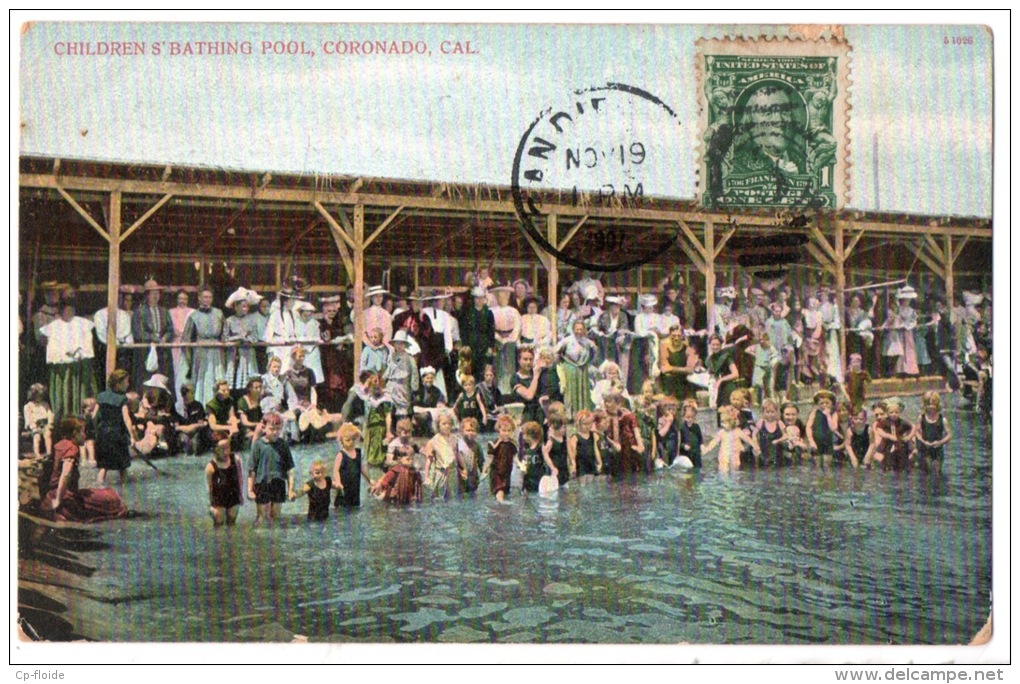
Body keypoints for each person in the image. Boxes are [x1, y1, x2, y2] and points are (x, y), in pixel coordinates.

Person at [43, 417, 127, 522]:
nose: (85, 435)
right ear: (74, 433)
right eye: (83, 432)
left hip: (54, 492)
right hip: (66, 496)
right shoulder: (72, 448)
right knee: (112, 498)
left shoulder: (60, 444)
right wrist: (58, 500)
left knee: (103, 494)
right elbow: (66, 474)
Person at [730, 84, 808, 176]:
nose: (779, 120)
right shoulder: (735, 167)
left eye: (785, 113)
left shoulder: (805, 162)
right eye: (768, 113)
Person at [40, 301, 97, 419]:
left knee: (81, 390)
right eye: (66, 310)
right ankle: (63, 416)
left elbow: (87, 342)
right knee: (64, 390)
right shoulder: (55, 326)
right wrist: (63, 354)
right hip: (62, 367)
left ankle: (81, 415)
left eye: (71, 309)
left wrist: (79, 352)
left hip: (80, 365)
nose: (68, 313)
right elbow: (52, 346)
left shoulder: (82, 323)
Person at [247, 413, 295, 523]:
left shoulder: (283, 445)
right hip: (261, 484)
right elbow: (251, 470)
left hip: (278, 483)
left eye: (278, 429)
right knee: (262, 516)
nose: (275, 432)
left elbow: (290, 469)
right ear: (263, 428)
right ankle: (260, 537)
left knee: (277, 516)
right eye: (272, 429)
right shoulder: (258, 445)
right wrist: (250, 490)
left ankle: (276, 537)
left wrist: (291, 489)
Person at [182, 287, 225, 406]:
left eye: (210, 297)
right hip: (201, 350)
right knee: (202, 379)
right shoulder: (194, 316)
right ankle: (202, 406)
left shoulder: (219, 313)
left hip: (216, 350)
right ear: (199, 298)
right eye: (205, 297)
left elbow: (224, 333)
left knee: (217, 377)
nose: (207, 300)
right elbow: (185, 338)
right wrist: (189, 360)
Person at [131, 279, 175, 392]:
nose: (156, 296)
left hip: (162, 352)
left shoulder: (164, 311)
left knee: (163, 378)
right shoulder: (139, 312)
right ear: (147, 295)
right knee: (146, 379)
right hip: (146, 351)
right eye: (153, 293)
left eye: (157, 293)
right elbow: (138, 332)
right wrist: (153, 338)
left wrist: (165, 337)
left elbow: (170, 329)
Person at [95, 369, 134, 487]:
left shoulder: (101, 396)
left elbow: (93, 416)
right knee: (122, 467)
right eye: (126, 382)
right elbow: (126, 419)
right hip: (118, 435)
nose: (128, 384)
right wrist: (131, 436)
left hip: (103, 434)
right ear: (118, 383)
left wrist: (97, 431)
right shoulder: (122, 399)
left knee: (104, 466)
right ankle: (126, 490)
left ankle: (99, 487)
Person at [222, 288, 262, 400]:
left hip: (247, 354)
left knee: (248, 382)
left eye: (247, 306)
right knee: (233, 380)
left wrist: (247, 339)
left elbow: (256, 337)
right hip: (233, 355)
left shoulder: (252, 320)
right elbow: (224, 338)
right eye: (243, 306)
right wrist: (237, 338)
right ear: (236, 307)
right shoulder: (229, 321)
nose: (246, 309)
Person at [556, 320, 597, 418]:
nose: (579, 331)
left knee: (583, 390)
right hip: (570, 368)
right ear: (573, 329)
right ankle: (571, 414)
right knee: (571, 390)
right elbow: (557, 352)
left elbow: (594, 353)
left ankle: (583, 413)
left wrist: (588, 363)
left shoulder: (588, 342)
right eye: (577, 329)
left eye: (581, 329)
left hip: (582, 369)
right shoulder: (566, 340)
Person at [93, 289, 135, 383]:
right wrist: (114, 343)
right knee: (107, 376)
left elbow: (126, 332)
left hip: (121, 350)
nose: (117, 299)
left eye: (119, 297)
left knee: (123, 374)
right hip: (105, 349)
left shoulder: (124, 315)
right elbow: (101, 334)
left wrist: (125, 343)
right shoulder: (100, 314)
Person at [704, 405, 761, 473]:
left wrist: (755, 446)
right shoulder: (722, 432)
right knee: (723, 470)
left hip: (734, 455)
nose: (722, 424)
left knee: (735, 469)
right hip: (724, 455)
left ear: (732, 421)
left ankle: (735, 480)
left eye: (725, 422)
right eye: (722, 422)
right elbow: (714, 442)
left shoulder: (737, 431)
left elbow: (747, 439)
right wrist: (707, 449)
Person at [205, 430, 243, 526]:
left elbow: (240, 478)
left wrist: (241, 495)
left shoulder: (236, 459)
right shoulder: (211, 467)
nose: (226, 451)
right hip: (218, 499)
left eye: (228, 447)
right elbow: (209, 487)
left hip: (233, 497)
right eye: (222, 449)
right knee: (219, 523)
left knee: (232, 523)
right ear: (215, 449)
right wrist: (211, 504)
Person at [459, 286, 496, 383]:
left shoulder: (488, 313)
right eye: (477, 298)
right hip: (471, 345)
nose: (479, 300)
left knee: (483, 370)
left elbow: (491, 331)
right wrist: (465, 345)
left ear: (484, 299)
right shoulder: (467, 313)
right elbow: (464, 330)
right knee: (470, 369)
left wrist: (490, 347)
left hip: (484, 345)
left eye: (481, 298)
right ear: (473, 299)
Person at [332, 424, 373, 509]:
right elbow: (336, 470)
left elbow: (362, 468)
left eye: (353, 440)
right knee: (342, 508)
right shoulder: (341, 455)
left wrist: (370, 480)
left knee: (354, 507)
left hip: (355, 488)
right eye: (348, 440)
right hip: (344, 488)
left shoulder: (358, 453)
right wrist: (338, 483)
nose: (351, 442)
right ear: (341, 441)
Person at [603, 391, 645, 474]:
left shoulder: (626, 415)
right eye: (605, 402)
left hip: (627, 446)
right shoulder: (603, 415)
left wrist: (640, 444)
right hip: (610, 446)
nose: (606, 404)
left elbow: (635, 430)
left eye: (609, 402)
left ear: (618, 403)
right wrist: (613, 443)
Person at [422, 411, 459, 501]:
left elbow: (458, 455)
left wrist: (463, 470)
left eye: (449, 424)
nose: (447, 426)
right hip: (440, 473)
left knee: (452, 498)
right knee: (439, 498)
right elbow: (429, 460)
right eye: (444, 424)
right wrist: (426, 477)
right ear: (438, 426)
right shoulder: (434, 441)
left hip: (452, 472)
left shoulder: (455, 439)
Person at [913, 391, 952, 476]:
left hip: (938, 448)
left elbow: (949, 435)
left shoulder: (943, 419)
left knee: (938, 473)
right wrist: (923, 441)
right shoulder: (921, 418)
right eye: (928, 404)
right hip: (926, 447)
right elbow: (916, 432)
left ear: (937, 404)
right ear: (924, 405)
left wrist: (940, 442)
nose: (931, 406)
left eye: (933, 404)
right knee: (929, 471)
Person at [382, 330, 419, 420]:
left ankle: (402, 425)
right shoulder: (392, 356)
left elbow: (414, 373)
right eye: (397, 344)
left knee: (402, 408)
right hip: (391, 385)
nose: (399, 346)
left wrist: (414, 387)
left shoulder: (409, 358)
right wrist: (383, 379)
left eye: (401, 344)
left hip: (403, 385)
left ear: (405, 345)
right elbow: (389, 369)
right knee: (388, 406)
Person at [659, 324, 699, 403]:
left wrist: (672, 368)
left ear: (682, 336)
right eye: (673, 336)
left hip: (684, 382)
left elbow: (690, 370)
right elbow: (664, 368)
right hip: (670, 383)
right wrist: (683, 369)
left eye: (678, 336)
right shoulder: (664, 348)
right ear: (669, 336)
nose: (676, 338)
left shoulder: (689, 350)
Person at [169, 290, 195, 412]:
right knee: (176, 374)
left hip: (188, 346)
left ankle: (188, 405)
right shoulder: (171, 312)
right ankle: (178, 405)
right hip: (175, 346)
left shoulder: (192, 312)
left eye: (184, 298)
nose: (182, 301)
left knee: (186, 375)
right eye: (180, 298)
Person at [482, 414, 517, 502]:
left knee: (505, 491)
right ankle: (501, 504)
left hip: (507, 472)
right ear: (498, 430)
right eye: (504, 431)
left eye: (509, 431)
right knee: (499, 490)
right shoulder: (494, 444)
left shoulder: (512, 444)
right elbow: (490, 457)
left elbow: (515, 457)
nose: (506, 433)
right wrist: (484, 469)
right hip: (496, 471)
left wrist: (520, 465)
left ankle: (500, 508)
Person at [874, 398, 914, 472]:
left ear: (899, 413)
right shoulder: (885, 422)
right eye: (891, 412)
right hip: (888, 445)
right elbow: (879, 430)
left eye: (896, 412)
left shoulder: (902, 422)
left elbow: (913, 427)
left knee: (902, 464)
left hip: (900, 445)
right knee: (889, 463)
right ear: (887, 413)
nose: (894, 414)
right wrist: (888, 436)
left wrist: (909, 437)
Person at [705, 334, 740, 413]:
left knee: (729, 412)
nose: (715, 347)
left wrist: (721, 380)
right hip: (717, 389)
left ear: (721, 345)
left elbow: (735, 374)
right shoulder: (709, 360)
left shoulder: (726, 357)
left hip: (728, 387)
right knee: (718, 412)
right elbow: (711, 375)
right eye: (713, 345)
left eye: (718, 345)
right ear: (710, 345)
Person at [806, 389, 839, 466]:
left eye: (827, 403)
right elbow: (808, 427)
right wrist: (811, 441)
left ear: (832, 404)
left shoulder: (834, 414)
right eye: (821, 403)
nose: (824, 405)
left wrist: (828, 416)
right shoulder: (814, 412)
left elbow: (833, 428)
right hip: (816, 442)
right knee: (817, 465)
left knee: (827, 465)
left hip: (828, 442)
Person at [206, 379, 241, 451]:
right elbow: (213, 426)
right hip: (218, 429)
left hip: (227, 425)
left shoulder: (230, 400)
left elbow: (232, 416)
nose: (227, 392)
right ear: (216, 392)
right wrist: (228, 427)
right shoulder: (211, 405)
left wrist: (234, 426)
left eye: (228, 390)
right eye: (223, 390)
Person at [175, 384, 210, 456]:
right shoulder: (177, 407)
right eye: (185, 393)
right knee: (184, 440)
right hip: (183, 432)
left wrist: (192, 427)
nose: (187, 395)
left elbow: (201, 424)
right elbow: (176, 426)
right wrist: (186, 429)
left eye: (191, 393)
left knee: (195, 442)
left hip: (195, 432)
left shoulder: (198, 405)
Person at [413, 366, 447, 437]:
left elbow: (441, 400)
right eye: (427, 378)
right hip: (418, 412)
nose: (429, 380)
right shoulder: (417, 389)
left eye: (431, 378)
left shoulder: (436, 390)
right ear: (423, 379)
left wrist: (440, 403)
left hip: (432, 413)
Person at [24, 383, 55, 458]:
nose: (39, 397)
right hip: (35, 425)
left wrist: (50, 423)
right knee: (37, 437)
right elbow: (28, 417)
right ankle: (37, 454)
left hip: (45, 424)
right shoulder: (28, 406)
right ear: (33, 395)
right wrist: (33, 427)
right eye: (37, 395)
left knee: (48, 434)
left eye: (41, 395)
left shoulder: (45, 404)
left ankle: (49, 452)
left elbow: (50, 413)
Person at [455, 417, 483, 495]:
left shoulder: (476, 445)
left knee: (472, 493)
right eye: (468, 430)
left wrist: (483, 471)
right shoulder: (458, 444)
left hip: (473, 476)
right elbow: (454, 461)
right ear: (461, 431)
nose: (470, 433)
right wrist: (460, 471)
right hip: (461, 475)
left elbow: (481, 460)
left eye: (473, 431)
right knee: (461, 494)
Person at [515, 421, 545, 494]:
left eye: (524, 434)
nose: (523, 437)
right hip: (528, 482)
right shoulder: (526, 450)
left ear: (530, 435)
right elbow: (525, 467)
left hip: (539, 481)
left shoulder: (540, 448)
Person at [236, 377, 264, 445]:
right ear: (250, 389)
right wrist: (258, 424)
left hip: (260, 426)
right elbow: (245, 422)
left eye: (260, 387)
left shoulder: (261, 399)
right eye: (256, 387)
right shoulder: (243, 401)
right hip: (247, 428)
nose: (259, 389)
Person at [543, 416, 570, 487]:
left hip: (564, 470)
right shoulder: (551, 441)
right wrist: (552, 467)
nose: (565, 429)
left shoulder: (564, 439)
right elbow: (545, 454)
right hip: (556, 470)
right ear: (556, 428)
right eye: (563, 427)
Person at [678, 399, 704, 468]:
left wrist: (702, 445)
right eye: (687, 417)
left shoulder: (696, 427)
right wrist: (683, 446)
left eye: (692, 417)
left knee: (698, 469)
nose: (690, 419)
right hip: (687, 454)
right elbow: (678, 443)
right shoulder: (681, 428)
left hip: (696, 454)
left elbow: (700, 438)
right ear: (683, 417)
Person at [656, 396, 680, 467]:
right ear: (663, 410)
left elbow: (678, 435)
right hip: (664, 446)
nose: (671, 411)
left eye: (673, 409)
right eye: (669, 409)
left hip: (673, 446)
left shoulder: (676, 421)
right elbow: (660, 434)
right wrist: (668, 423)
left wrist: (678, 451)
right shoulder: (661, 420)